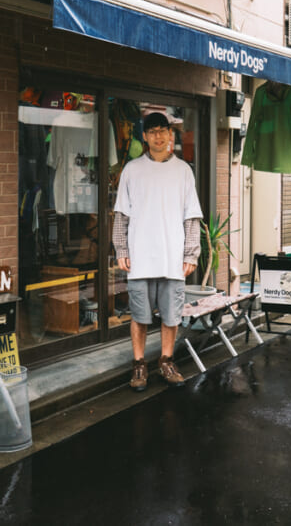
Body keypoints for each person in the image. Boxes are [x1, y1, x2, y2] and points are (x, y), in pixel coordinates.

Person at [113, 111, 203, 391]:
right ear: (145, 136)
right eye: (152, 131)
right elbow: (120, 215)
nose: (158, 136)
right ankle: (139, 366)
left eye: (163, 130)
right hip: (140, 257)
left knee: (171, 316)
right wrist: (121, 248)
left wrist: (191, 253)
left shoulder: (183, 170)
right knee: (139, 316)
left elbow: (192, 216)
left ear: (170, 134)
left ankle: (166, 361)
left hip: (172, 257)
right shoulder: (132, 169)